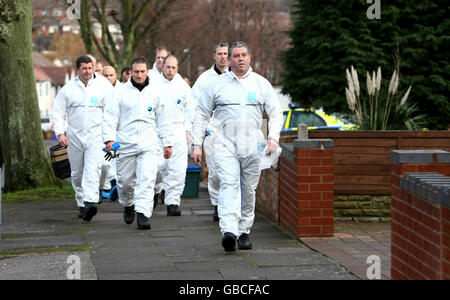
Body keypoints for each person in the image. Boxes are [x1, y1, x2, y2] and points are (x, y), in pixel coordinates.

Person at [191, 42, 283, 252]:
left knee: (248, 189)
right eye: (235, 56)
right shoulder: (216, 84)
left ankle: (244, 232)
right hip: (224, 143)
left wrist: (273, 138)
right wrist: (196, 145)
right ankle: (229, 231)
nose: (240, 59)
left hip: (252, 144)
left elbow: (276, 112)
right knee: (229, 183)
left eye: (243, 55)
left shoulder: (261, 84)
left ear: (250, 58)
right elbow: (201, 114)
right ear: (229, 60)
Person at [102, 56, 174, 230]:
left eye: (142, 71)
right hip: (125, 142)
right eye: (136, 72)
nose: (139, 75)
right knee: (124, 181)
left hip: (149, 142)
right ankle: (128, 204)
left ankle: (143, 214)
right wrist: (109, 139)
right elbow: (110, 116)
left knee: (147, 179)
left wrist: (168, 143)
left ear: (147, 71)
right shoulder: (119, 92)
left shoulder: (156, 91)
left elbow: (164, 119)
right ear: (130, 72)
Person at [52, 55, 113, 221]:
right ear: (77, 69)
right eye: (84, 68)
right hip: (74, 137)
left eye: (90, 67)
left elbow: (111, 112)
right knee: (77, 173)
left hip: (95, 136)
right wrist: (60, 133)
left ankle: (90, 202)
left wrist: (109, 137)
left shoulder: (103, 86)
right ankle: (81, 202)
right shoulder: (68, 89)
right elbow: (58, 112)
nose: (88, 71)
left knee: (94, 169)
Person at [190, 41, 229, 222]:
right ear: (214, 56)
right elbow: (194, 107)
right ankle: (216, 204)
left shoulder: (235, 76)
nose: (223, 56)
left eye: (226, 53)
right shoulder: (205, 79)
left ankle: (227, 205)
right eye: (219, 53)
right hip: (211, 132)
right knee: (214, 172)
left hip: (231, 132)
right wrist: (199, 133)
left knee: (229, 171)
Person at [155, 55, 192, 216]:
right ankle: (156, 190)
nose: (170, 70)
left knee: (177, 169)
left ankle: (173, 202)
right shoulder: (153, 85)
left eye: (173, 68)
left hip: (177, 131)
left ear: (177, 68)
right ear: (162, 66)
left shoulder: (183, 87)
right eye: (168, 67)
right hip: (157, 132)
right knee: (157, 167)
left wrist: (188, 131)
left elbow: (190, 110)